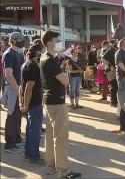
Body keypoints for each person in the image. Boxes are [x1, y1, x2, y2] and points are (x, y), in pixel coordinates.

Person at [40, 30, 82, 179]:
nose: (60, 45)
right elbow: (65, 80)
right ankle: (64, 170)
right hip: (56, 102)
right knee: (60, 137)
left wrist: (61, 59)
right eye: (58, 41)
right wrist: (64, 68)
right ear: (50, 42)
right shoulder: (50, 61)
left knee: (51, 135)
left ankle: (50, 165)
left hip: (49, 101)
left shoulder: (46, 58)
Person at [20, 43, 44, 165]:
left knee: (30, 129)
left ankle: (29, 153)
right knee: (35, 131)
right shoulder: (33, 67)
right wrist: (25, 105)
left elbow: (22, 87)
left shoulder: (26, 65)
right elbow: (28, 88)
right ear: (37, 54)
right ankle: (34, 156)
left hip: (31, 103)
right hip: (34, 103)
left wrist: (23, 103)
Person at [1, 32, 25, 153]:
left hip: (16, 88)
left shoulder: (16, 53)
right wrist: (18, 90)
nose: (23, 41)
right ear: (14, 40)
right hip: (12, 89)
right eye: (20, 39)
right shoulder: (9, 54)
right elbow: (8, 75)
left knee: (17, 115)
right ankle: (9, 145)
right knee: (12, 116)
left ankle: (16, 139)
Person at [102, 40, 118, 107]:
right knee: (113, 85)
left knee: (115, 86)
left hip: (115, 69)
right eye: (115, 43)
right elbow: (103, 59)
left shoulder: (116, 50)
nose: (116, 44)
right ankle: (113, 101)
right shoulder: (110, 51)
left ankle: (115, 101)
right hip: (111, 71)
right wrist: (110, 66)